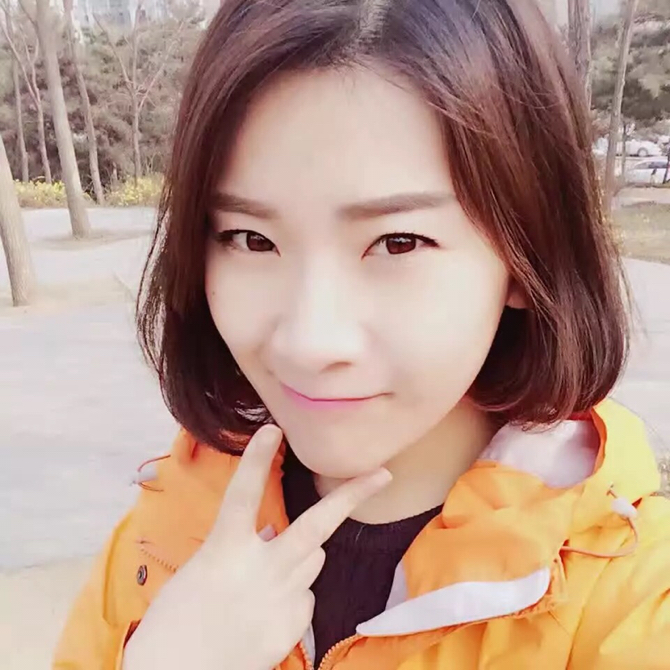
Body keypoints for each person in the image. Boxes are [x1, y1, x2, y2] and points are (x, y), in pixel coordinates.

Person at [54, 0, 670, 668]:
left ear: (528, 257)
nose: (309, 341)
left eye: (398, 242)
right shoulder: (165, 535)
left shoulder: (627, 597)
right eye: (250, 239)